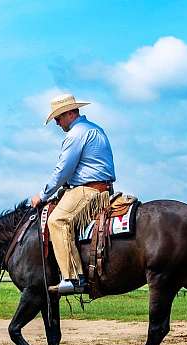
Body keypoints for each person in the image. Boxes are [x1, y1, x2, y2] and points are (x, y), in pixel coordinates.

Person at [31, 94, 116, 295]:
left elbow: (63, 170)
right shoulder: (95, 129)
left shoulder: (76, 134)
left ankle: (73, 277)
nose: (57, 124)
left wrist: (42, 195)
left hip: (87, 190)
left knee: (57, 221)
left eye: (59, 118)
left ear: (70, 113)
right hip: (100, 187)